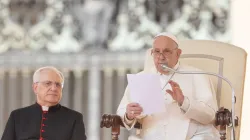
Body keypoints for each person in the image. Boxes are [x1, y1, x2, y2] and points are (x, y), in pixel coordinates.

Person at [117, 32, 220, 140]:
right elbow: (123, 111)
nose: (161, 57)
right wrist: (129, 115)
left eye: (167, 51)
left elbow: (210, 116)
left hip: (193, 136)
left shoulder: (196, 75)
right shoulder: (142, 77)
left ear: (178, 53)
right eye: (157, 52)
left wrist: (183, 101)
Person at [1, 66, 87, 140]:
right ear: (35, 88)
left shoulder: (74, 118)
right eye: (47, 83)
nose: (54, 88)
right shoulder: (17, 116)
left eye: (58, 84)